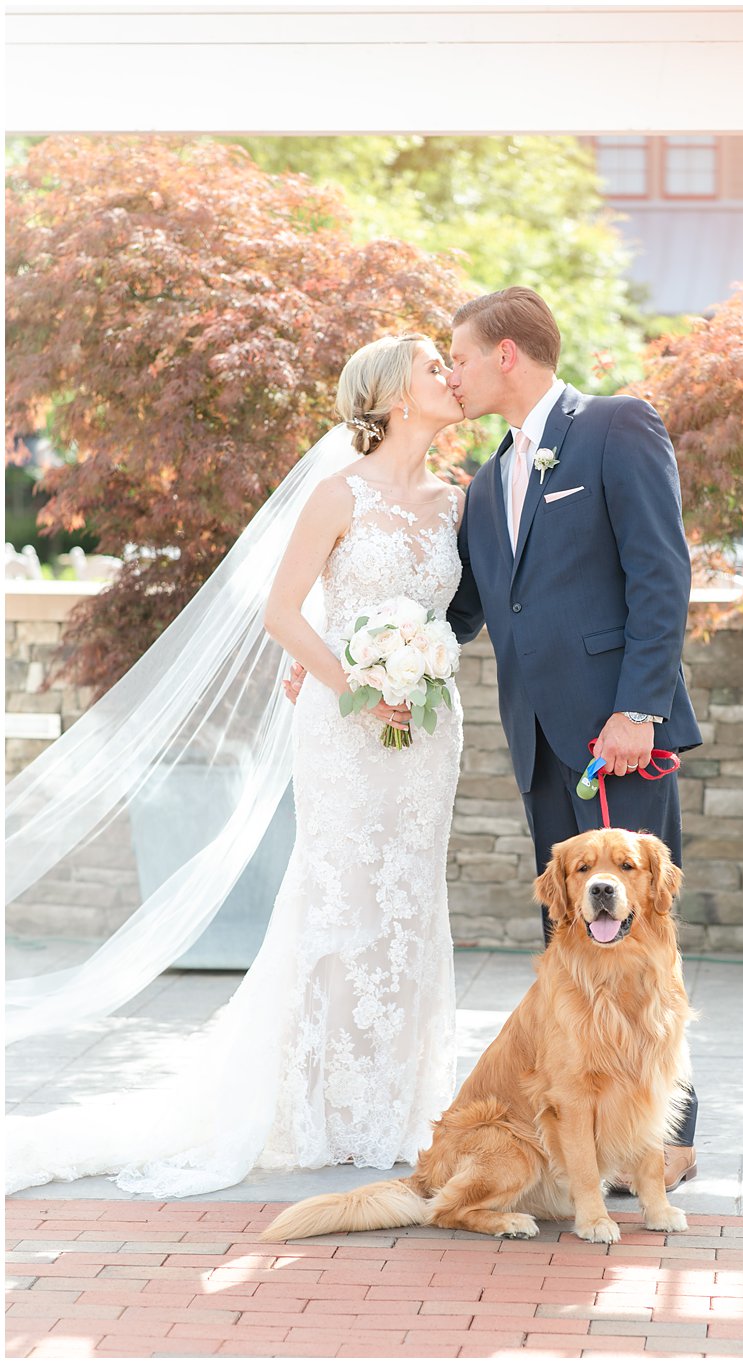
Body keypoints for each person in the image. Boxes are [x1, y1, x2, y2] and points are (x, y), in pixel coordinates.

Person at [8, 334, 471, 1195]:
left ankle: (393, 1109)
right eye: (433, 366)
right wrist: (359, 687)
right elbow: (283, 613)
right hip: (346, 722)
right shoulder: (338, 495)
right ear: (393, 395)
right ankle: (313, 1106)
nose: (451, 376)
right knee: (339, 895)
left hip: (429, 733)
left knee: (410, 896)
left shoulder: (456, 502)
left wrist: (423, 668)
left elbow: (467, 607)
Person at [441, 286, 705, 1189]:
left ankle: (667, 1138)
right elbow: (466, 610)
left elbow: (661, 570)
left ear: (507, 353)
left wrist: (641, 708)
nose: (452, 373)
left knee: (644, 929)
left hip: (617, 737)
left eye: (460, 357)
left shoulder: (616, 426)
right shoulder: (482, 485)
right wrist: (355, 649)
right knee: (570, 940)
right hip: (538, 743)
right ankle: (583, 1137)